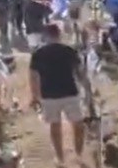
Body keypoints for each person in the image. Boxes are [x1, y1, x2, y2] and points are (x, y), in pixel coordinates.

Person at [30, 24, 89, 158]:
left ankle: (60, 156)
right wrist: (87, 90)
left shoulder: (38, 54)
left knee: (55, 126)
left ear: (45, 36)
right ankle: (78, 153)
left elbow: (33, 76)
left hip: (49, 95)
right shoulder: (69, 51)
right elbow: (80, 73)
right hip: (70, 92)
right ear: (59, 35)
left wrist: (35, 97)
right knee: (78, 125)